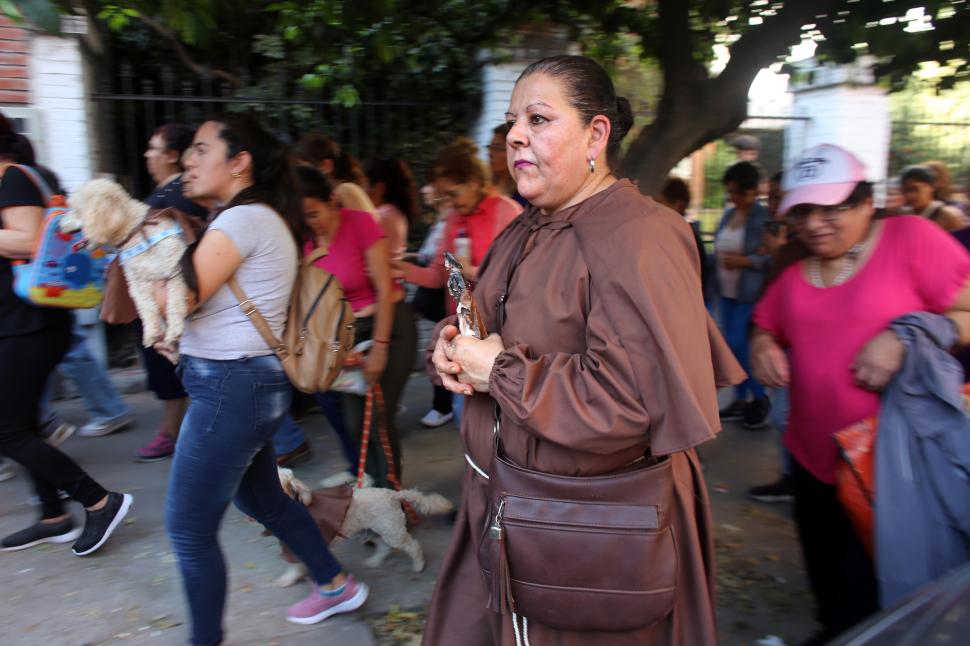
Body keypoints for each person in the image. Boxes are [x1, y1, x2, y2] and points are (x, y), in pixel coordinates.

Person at [422, 54, 743, 646]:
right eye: (514, 119)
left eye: (539, 119)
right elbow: (489, 330)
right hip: (505, 509)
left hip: (589, 530)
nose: (516, 134)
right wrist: (451, 352)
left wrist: (498, 371)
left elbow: (634, 402)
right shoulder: (524, 227)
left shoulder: (643, 237)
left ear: (596, 133)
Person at [750, 144, 970, 643]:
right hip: (812, 461)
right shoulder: (794, 272)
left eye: (834, 208)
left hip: (892, 462)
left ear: (867, 202)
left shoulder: (909, 238)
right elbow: (766, 326)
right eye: (803, 210)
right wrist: (762, 346)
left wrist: (905, 334)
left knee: (875, 588)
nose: (816, 223)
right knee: (827, 580)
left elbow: (967, 313)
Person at [164, 114, 369, 645]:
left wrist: (139, 249)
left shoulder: (241, 221)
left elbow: (180, 297)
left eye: (201, 149)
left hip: (231, 390)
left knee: (188, 529)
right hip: (248, 388)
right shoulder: (255, 218)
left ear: (239, 163)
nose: (189, 160)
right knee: (262, 501)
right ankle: (335, 583)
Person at [0, 115, 132, 554]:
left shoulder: (14, 178)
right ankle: (54, 516)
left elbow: (26, 240)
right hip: (21, 324)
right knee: (27, 424)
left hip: (29, 326)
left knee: (9, 431)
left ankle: (99, 500)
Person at [296, 164, 417, 488]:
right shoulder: (309, 245)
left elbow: (385, 289)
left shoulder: (360, 223)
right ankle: (377, 497)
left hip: (389, 325)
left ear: (332, 201)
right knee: (354, 424)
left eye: (313, 213)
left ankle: (392, 502)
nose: (310, 224)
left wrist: (379, 349)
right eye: (302, 217)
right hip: (349, 334)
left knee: (377, 419)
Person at [398, 137, 522, 425]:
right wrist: (401, 270)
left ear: (475, 181)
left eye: (453, 193)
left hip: (500, 331)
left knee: (498, 417)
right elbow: (438, 276)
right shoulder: (454, 221)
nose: (449, 203)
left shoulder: (506, 212)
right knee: (464, 414)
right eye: (444, 196)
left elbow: (521, 276)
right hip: (464, 328)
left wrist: (472, 271)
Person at [747, 171, 795, 503]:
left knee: (785, 416)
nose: (774, 204)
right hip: (788, 344)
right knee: (785, 416)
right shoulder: (789, 242)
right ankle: (792, 477)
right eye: (772, 197)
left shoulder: (803, 242)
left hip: (806, 350)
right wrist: (764, 339)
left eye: (780, 196)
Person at [716, 161, 772, 429]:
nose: (734, 198)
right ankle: (739, 398)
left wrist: (745, 261)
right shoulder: (728, 215)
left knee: (739, 344)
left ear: (753, 192)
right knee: (730, 347)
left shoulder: (763, 218)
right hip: (725, 291)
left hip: (748, 293)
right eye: (731, 193)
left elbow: (771, 257)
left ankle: (759, 396)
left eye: (739, 193)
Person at [659, 176, 711, 303]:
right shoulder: (672, 234)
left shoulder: (684, 237)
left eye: (661, 204)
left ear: (679, 205)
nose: (657, 210)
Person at [900, 165, 967, 231]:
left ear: (931, 187)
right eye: (905, 190)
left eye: (914, 189)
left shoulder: (949, 217)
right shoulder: (903, 215)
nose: (909, 195)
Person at [488, 123, 528, 207]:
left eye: (497, 148)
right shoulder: (481, 188)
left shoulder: (526, 197)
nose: (490, 153)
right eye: (490, 147)